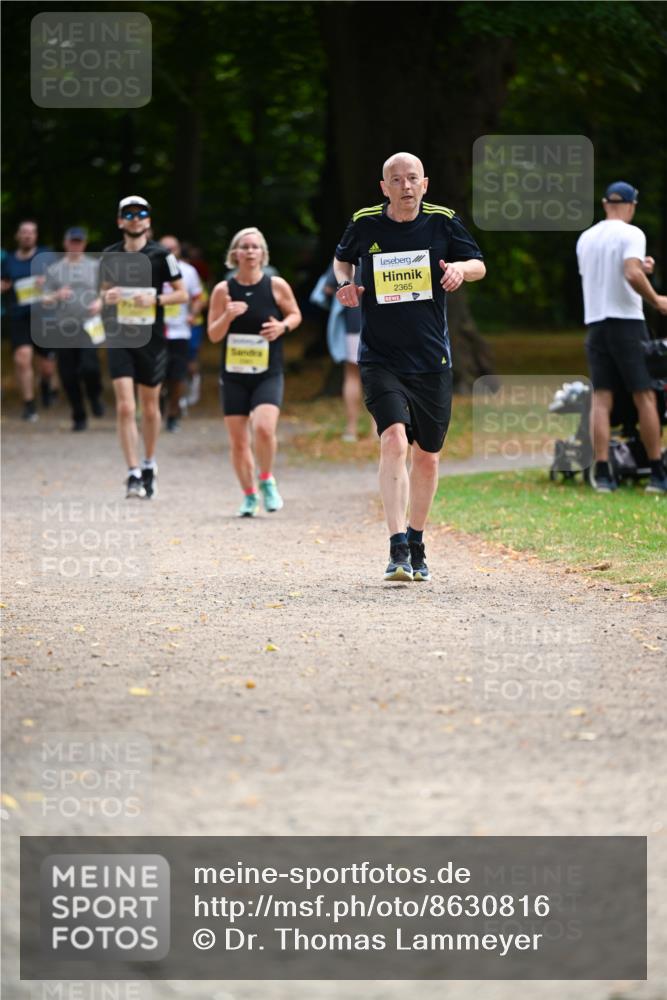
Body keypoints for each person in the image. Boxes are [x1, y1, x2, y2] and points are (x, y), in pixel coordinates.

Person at [334, 151, 486, 581]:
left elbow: (479, 264)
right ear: (384, 187)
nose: (404, 186)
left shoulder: (442, 220)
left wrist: (459, 269)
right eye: (395, 179)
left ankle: (417, 541)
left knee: (428, 459)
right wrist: (345, 284)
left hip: (430, 359)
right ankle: (397, 546)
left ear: (425, 184)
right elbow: (341, 258)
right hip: (380, 357)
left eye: (412, 178)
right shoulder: (365, 221)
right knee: (394, 440)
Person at [576, 181, 667, 495]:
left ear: (605, 204)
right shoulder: (633, 234)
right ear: (632, 205)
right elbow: (629, 273)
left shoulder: (586, 238)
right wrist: (656, 300)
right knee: (645, 396)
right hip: (627, 323)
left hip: (596, 324)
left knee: (602, 399)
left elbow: (611, 273)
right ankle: (657, 473)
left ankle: (603, 473)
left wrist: (642, 268)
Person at [207, 227, 301, 516]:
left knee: (263, 428)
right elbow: (213, 334)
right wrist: (227, 315)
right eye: (244, 247)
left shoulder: (276, 285)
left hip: (267, 371)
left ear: (263, 254)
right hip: (234, 374)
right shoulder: (223, 290)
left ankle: (266, 479)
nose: (249, 251)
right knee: (238, 441)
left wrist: (282, 327)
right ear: (234, 254)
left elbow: (295, 314)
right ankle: (248, 495)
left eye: (255, 247)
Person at [100, 196, 187, 498]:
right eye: (129, 214)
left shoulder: (162, 255)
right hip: (120, 336)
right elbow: (101, 294)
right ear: (120, 221)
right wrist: (106, 298)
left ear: (148, 220)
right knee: (125, 406)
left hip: (152, 339)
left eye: (141, 214)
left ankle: (149, 463)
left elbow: (183, 294)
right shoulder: (109, 255)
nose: (135, 218)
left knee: (150, 407)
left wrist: (156, 299)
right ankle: (132, 472)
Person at [41, 227, 105, 431]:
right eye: (72, 241)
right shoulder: (54, 269)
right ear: (65, 243)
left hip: (89, 325)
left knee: (90, 367)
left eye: (79, 242)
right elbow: (44, 299)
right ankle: (78, 414)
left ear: (84, 244)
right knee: (68, 374)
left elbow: (106, 292)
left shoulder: (95, 266)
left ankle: (95, 396)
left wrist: (100, 303)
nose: (75, 245)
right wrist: (56, 294)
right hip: (64, 327)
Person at [1, 220, 56, 420]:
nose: (27, 236)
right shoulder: (8, 260)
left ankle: (46, 383)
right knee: (22, 359)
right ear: (18, 235)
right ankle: (29, 404)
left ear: (36, 236)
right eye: (24, 232)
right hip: (18, 315)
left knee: (47, 367)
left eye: (31, 232)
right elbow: (4, 280)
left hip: (44, 315)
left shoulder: (46, 256)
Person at [312, 260, 368, 442]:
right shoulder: (390, 244)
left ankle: (351, 429)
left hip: (354, 321)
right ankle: (380, 431)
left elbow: (328, 288)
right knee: (381, 374)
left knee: (352, 375)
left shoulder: (348, 251)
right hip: (385, 323)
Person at [158, 235, 203, 432]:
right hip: (155, 332)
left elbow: (198, 297)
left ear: (178, 250)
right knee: (154, 377)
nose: (169, 253)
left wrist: (193, 313)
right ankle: (156, 409)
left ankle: (173, 414)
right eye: (164, 249)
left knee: (177, 377)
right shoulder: (149, 269)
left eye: (173, 249)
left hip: (179, 332)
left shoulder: (188, 271)